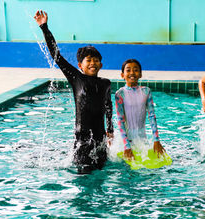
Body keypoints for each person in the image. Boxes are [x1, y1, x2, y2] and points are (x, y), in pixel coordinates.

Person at [34, 10, 113, 173]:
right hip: (82, 142)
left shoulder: (106, 83)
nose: (93, 63)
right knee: (84, 176)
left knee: (102, 176)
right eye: (88, 60)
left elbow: (108, 105)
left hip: (101, 141)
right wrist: (44, 27)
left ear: (101, 65)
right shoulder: (76, 79)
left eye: (96, 60)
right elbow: (56, 56)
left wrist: (110, 129)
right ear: (80, 65)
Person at [115, 59, 165, 160]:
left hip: (142, 138)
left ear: (140, 74)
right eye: (128, 70)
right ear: (122, 75)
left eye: (136, 70)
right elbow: (120, 120)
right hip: (126, 141)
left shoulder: (146, 91)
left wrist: (156, 140)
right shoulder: (120, 94)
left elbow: (152, 116)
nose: (132, 73)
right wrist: (127, 146)